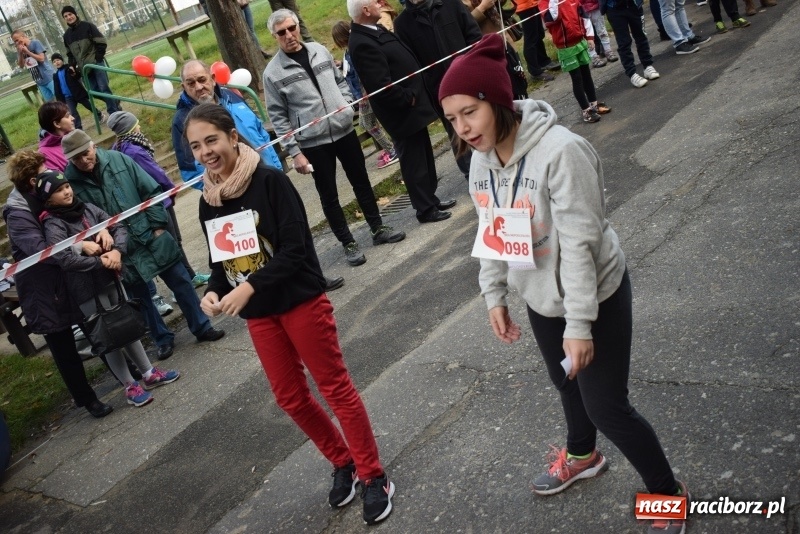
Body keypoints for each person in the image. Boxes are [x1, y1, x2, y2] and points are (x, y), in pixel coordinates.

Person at [439, 33, 688, 534]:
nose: (462, 128)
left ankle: (668, 496)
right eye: (451, 119)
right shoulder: (480, 161)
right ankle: (583, 456)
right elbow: (490, 227)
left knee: (607, 407)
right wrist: (494, 294)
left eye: (470, 112)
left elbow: (579, 245)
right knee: (565, 382)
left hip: (594, 294)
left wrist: (579, 324)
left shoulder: (562, 152)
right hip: (541, 297)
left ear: (498, 101)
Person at [187, 103, 394, 525]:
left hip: (300, 300)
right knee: (290, 398)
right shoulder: (209, 201)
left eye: (211, 140)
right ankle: (343, 461)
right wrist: (211, 292)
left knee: (335, 389)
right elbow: (220, 266)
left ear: (232, 137)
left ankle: (374, 476)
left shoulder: (270, 181)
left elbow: (296, 250)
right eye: (195, 146)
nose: (205, 151)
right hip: (260, 313)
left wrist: (249, 286)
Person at [173, 59, 345, 291]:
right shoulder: (181, 121)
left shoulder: (233, 97)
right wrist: (222, 188)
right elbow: (188, 169)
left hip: (265, 178)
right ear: (183, 86)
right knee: (257, 251)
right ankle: (266, 291)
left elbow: (260, 134)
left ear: (212, 78)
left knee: (292, 233)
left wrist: (274, 167)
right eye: (191, 83)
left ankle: (315, 278)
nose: (198, 87)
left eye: (202, 80)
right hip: (230, 198)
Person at [61, 129, 226, 361]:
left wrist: (158, 225)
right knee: (140, 297)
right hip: (120, 248)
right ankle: (162, 339)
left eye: (85, 153)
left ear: (93, 146)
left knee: (181, 281)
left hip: (149, 232)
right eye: (76, 158)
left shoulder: (119, 159)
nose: (83, 159)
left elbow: (150, 190)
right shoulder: (70, 181)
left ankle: (202, 326)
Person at [263, 9, 406, 267]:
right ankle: (348, 242)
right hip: (312, 142)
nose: (289, 35)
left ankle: (377, 228)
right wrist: (295, 152)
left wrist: (347, 104)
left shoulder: (319, 50)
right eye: (282, 32)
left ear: (298, 26)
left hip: (344, 130)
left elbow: (340, 81)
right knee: (328, 195)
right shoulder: (273, 73)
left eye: (292, 28)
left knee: (361, 181)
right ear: (275, 36)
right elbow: (278, 116)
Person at [36, 170, 181, 407]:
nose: (67, 192)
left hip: (111, 279)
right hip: (86, 291)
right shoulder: (53, 224)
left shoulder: (88, 208)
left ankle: (148, 372)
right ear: (48, 199)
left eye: (67, 187)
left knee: (126, 326)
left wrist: (117, 251)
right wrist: (96, 259)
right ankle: (129, 385)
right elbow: (63, 258)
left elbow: (118, 226)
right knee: (107, 336)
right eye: (59, 191)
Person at [4, 150, 112, 418]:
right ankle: (87, 399)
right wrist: (79, 246)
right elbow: (40, 249)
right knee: (64, 348)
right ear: (32, 180)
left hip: (68, 278)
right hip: (44, 289)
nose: (51, 173)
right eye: (44, 170)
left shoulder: (47, 195)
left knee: (96, 327)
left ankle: (125, 372)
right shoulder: (18, 212)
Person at [348, 0, 456, 224]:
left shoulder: (374, 29)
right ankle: (425, 208)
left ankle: (431, 199)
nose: (380, 3)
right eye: (374, 2)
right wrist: (408, 97)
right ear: (365, 10)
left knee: (423, 155)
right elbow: (380, 84)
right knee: (413, 161)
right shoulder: (361, 42)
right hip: (401, 110)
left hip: (413, 107)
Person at [107, 111, 211, 292]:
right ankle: (188, 279)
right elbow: (156, 174)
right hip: (159, 201)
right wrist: (170, 191)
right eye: (136, 124)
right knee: (174, 241)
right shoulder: (135, 151)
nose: (139, 127)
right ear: (130, 128)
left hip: (145, 204)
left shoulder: (118, 149)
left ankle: (188, 277)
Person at [394, 0, 482, 179]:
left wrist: (475, 66)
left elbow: (473, 36)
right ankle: (472, 176)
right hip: (439, 91)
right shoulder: (402, 24)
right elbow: (409, 63)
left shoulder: (451, 4)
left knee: (482, 120)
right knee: (457, 132)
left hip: (469, 78)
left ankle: (496, 162)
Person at [331, 21, 399, 170]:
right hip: (361, 96)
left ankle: (392, 150)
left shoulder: (353, 52)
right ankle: (391, 147)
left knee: (368, 124)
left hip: (365, 96)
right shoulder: (348, 52)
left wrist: (363, 96)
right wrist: (341, 65)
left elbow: (360, 74)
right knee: (366, 123)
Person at [540, 0, 611, 122]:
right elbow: (553, 18)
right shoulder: (544, 3)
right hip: (566, 48)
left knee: (586, 75)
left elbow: (584, 16)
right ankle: (586, 110)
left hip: (580, 42)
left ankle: (594, 104)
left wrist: (589, 37)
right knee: (577, 78)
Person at [461, 0, 529, 99]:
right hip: (489, 51)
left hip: (506, 43)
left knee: (519, 81)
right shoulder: (459, 3)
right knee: (505, 88)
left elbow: (499, 5)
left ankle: (525, 103)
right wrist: (482, 7)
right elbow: (464, 24)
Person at [61, 5, 122, 114]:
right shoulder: (67, 36)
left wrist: (98, 58)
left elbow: (101, 42)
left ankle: (113, 112)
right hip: (84, 69)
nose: (69, 17)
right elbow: (70, 54)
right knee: (93, 92)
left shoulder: (88, 26)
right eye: (65, 16)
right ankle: (114, 101)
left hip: (96, 63)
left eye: (70, 14)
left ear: (75, 14)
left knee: (104, 88)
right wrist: (72, 66)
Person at [600, 0, 661, 88]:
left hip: (634, 4)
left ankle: (648, 65)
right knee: (624, 42)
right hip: (614, 7)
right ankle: (632, 73)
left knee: (641, 35)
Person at [51, 52, 105, 130]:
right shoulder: (55, 75)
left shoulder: (68, 68)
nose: (56, 62)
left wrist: (74, 73)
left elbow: (77, 76)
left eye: (58, 60)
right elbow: (57, 88)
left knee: (89, 106)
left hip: (78, 93)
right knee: (73, 112)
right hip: (68, 97)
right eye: (54, 61)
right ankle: (79, 128)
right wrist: (59, 100)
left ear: (62, 60)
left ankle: (99, 114)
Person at [516, 0, 560, 82]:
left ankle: (544, 61)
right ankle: (535, 72)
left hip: (533, 4)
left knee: (539, 34)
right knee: (531, 39)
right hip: (524, 7)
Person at [11, 30, 55, 102]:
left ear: (23, 36)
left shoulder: (35, 43)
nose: (16, 43)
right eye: (14, 42)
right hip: (39, 80)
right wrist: (20, 53)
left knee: (60, 99)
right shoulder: (20, 49)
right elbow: (21, 66)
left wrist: (27, 52)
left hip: (49, 77)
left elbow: (41, 59)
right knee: (51, 104)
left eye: (17, 40)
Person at [578, 0, 617, 67]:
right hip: (581, 10)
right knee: (587, 35)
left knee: (602, 31)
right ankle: (594, 57)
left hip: (595, 6)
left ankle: (608, 51)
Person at [38, 101, 75, 171]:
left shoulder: (74, 137)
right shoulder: (45, 155)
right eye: (67, 116)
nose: (73, 118)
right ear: (57, 124)